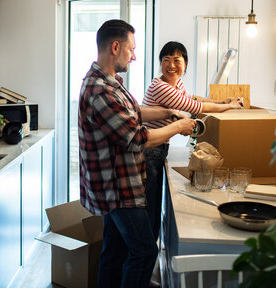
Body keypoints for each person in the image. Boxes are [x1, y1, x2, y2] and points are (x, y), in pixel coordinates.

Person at [78, 20, 196, 288]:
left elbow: (134, 112)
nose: (135, 55)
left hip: (117, 184)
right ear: (116, 47)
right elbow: (137, 137)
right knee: (144, 251)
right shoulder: (100, 90)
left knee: (115, 250)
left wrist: (167, 113)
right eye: (131, 49)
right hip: (117, 187)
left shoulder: (110, 83)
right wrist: (177, 126)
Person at [142, 41, 243, 242]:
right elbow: (192, 105)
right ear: (160, 64)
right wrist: (229, 106)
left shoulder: (176, 83)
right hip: (149, 151)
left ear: (185, 64)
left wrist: (220, 102)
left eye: (177, 60)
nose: (171, 65)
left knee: (153, 204)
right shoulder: (160, 86)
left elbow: (192, 96)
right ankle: (148, 254)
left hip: (159, 148)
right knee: (150, 207)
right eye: (166, 60)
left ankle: (149, 251)